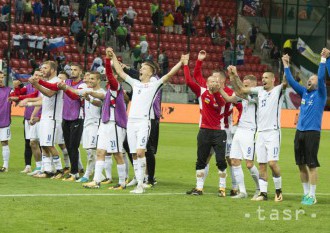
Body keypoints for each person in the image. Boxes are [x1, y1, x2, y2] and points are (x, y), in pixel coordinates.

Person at [110, 48, 183, 194]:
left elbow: (169, 75)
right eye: (141, 67)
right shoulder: (135, 83)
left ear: (150, 73)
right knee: (133, 154)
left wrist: (181, 62)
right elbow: (120, 72)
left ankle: (141, 184)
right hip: (131, 122)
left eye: (144, 68)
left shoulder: (154, 84)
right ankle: (139, 181)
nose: (141, 69)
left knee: (140, 151)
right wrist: (112, 56)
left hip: (144, 123)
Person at [230, 66, 287, 202]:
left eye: (266, 78)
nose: (264, 80)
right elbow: (242, 90)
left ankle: (278, 191)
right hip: (260, 133)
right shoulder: (259, 91)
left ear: (273, 80)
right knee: (262, 164)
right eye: (262, 78)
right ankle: (263, 193)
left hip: (273, 132)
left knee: (272, 163)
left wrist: (286, 66)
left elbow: (285, 83)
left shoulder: (278, 90)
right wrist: (235, 75)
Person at [282, 50, 327, 205]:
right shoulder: (304, 93)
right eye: (309, 79)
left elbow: (321, 77)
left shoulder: (320, 94)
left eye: (312, 79)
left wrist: (322, 59)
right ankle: (306, 193)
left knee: (311, 164)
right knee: (301, 164)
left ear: (317, 84)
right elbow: (292, 82)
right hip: (299, 132)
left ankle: (313, 196)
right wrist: (286, 65)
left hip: (312, 133)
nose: (310, 80)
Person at [183, 54, 227, 196]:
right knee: (201, 160)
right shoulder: (202, 92)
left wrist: (217, 91)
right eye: (211, 81)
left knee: (220, 161)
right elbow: (189, 81)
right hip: (204, 131)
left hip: (219, 132)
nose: (213, 83)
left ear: (219, 83)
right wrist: (185, 64)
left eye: (216, 81)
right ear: (206, 83)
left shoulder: (222, 95)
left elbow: (220, 104)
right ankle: (199, 188)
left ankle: (222, 188)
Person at [83, 50, 127, 189]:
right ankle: (96, 181)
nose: (107, 78)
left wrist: (108, 60)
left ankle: (122, 182)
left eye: (110, 76)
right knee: (100, 151)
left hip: (114, 124)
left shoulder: (116, 87)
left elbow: (109, 74)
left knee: (117, 154)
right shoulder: (109, 90)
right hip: (105, 123)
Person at [37, 64, 87, 181]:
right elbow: (52, 86)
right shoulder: (67, 82)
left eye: (75, 69)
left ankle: (75, 172)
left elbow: (75, 96)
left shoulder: (82, 85)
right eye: (72, 70)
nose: (73, 71)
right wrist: (40, 82)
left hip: (77, 117)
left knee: (73, 146)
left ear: (80, 72)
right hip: (66, 117)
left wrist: (65, 88)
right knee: (69, 146)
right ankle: (73, 171)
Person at [220, 69, 260, 200]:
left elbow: (241, 91)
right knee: (234, 161)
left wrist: (235, 76)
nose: (244, 87)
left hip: (250, 131)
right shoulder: (242, 95)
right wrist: (222, 87)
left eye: (247, 85)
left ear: (254, 85)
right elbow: (229, 98)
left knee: (249, 164)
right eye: (244, 84)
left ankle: (260, 189)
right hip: (240, 130)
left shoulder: (258, 94)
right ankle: (242, 192)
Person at [28, 61, 65, 178]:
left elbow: (50, 94)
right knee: (43, 145)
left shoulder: (58, 82)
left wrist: (36, 84)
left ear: (53, 70)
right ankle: (48, 170)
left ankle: (59, 170)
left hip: (52, 119)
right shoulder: (47, 82)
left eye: (45, 68)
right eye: (41, 68)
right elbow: (43, 101)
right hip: (44, 118)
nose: (42, 70)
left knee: (49, 145)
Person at [0, 71, 11, 172]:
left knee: (4, 142)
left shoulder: (8, 90)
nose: (1, 79)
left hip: (4, 122)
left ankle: (5, 165)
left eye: (2, 77)